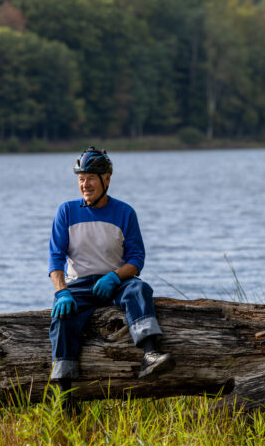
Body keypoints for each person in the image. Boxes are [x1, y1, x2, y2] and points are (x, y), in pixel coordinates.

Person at [48, 146, 175, 391]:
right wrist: (62, 292)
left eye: (91, 179)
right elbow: (55, 259)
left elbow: (137, 259)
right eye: (81, 179)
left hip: (115, 282)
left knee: (139, 289)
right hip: (79, 286)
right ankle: (64, 392)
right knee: (62, 317)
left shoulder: (125, 212)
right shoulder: (66, 211)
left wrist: (114, 276)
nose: (85, 185)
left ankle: (150, 354)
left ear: (106, 179)